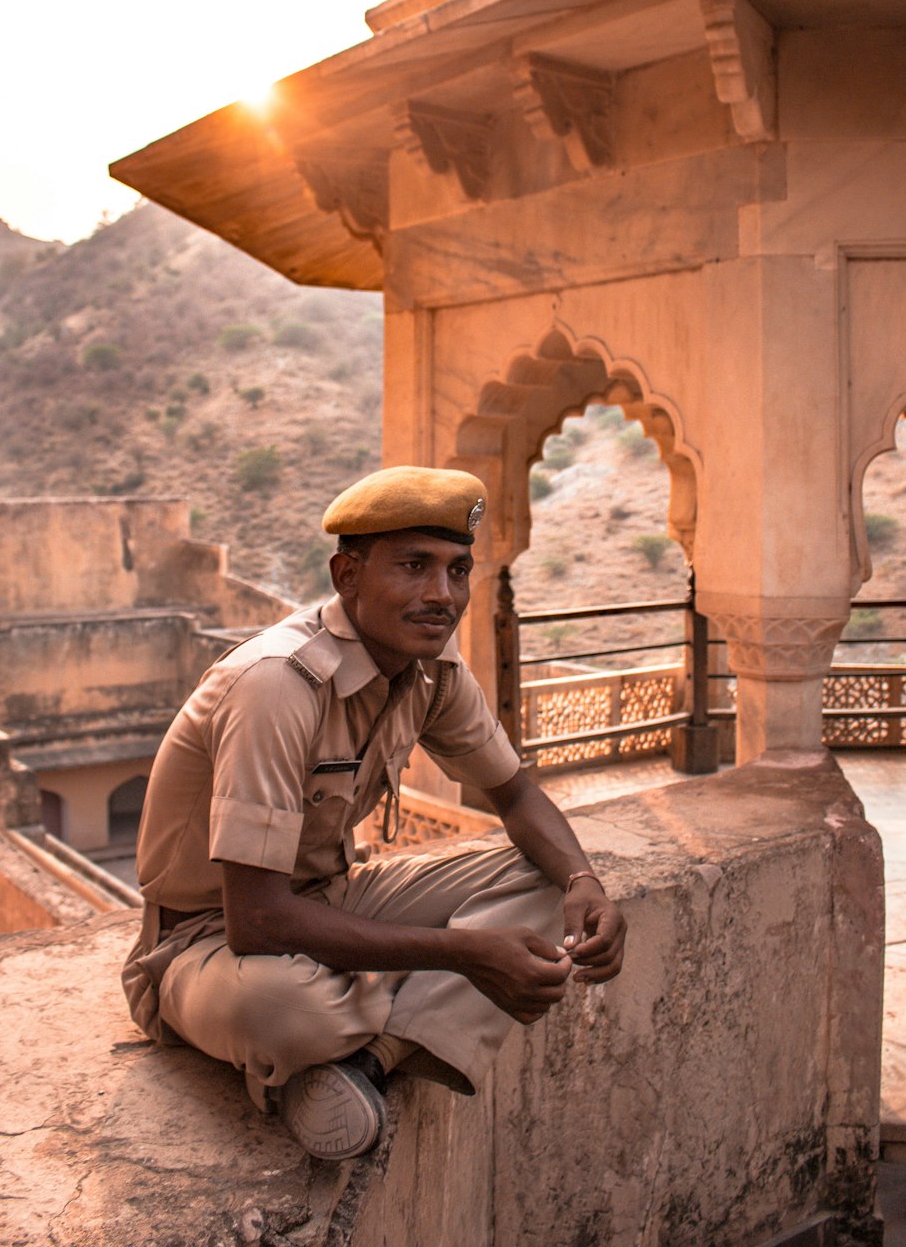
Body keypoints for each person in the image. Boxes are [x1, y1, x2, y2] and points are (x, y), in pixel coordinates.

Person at [122, 466, 626, 1160]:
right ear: (347, 575)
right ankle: (388, 1023)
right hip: (206, 941)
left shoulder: (431, 673)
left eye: (457, 571)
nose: (440, 595)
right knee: (290, 1012)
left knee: (548, 882)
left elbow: (516, 794)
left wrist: (585, 883)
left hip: (335, 901)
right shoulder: (277, 684)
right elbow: (258, 919)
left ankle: (371, 1060)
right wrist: (464, 953)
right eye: (414, 566)